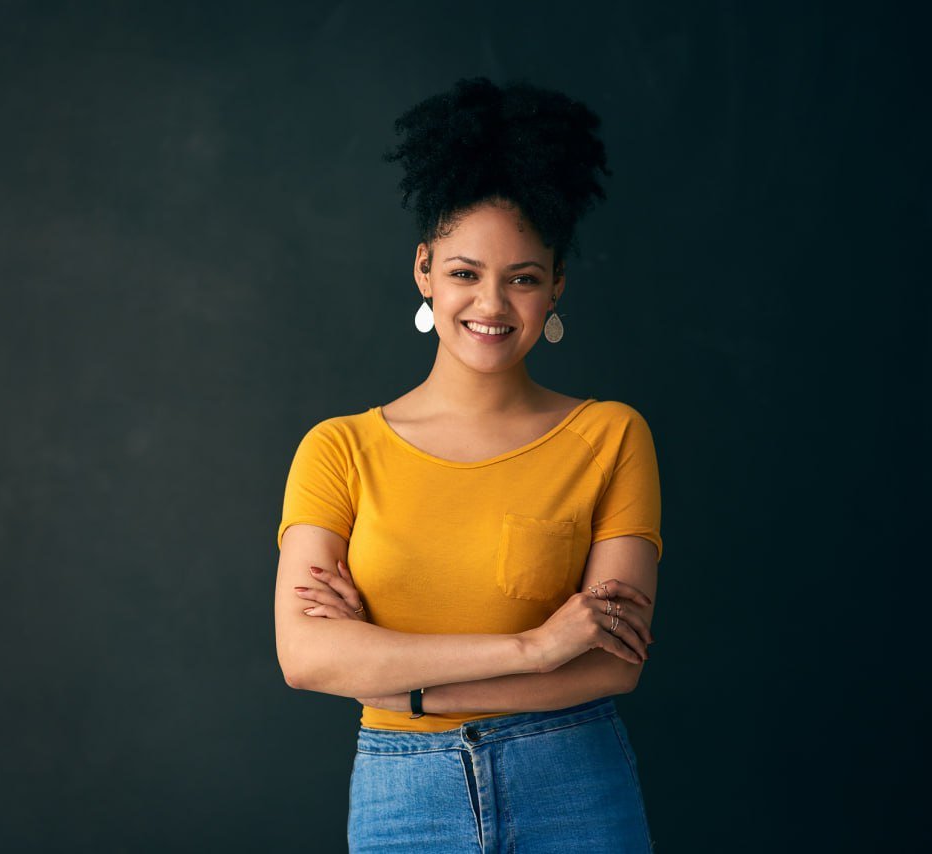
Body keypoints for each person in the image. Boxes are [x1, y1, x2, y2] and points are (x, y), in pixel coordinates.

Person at [273, 76, 662, 853]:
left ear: (556, 287)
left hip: (574, 787)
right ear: (423, 270)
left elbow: (613, 665)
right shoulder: (339, 449)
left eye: (522, 278)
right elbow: (307, 654)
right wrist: (533, 649)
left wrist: (398, 678)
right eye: (464, 273)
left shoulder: (610, 437)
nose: (491, 305)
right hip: (402, 796)